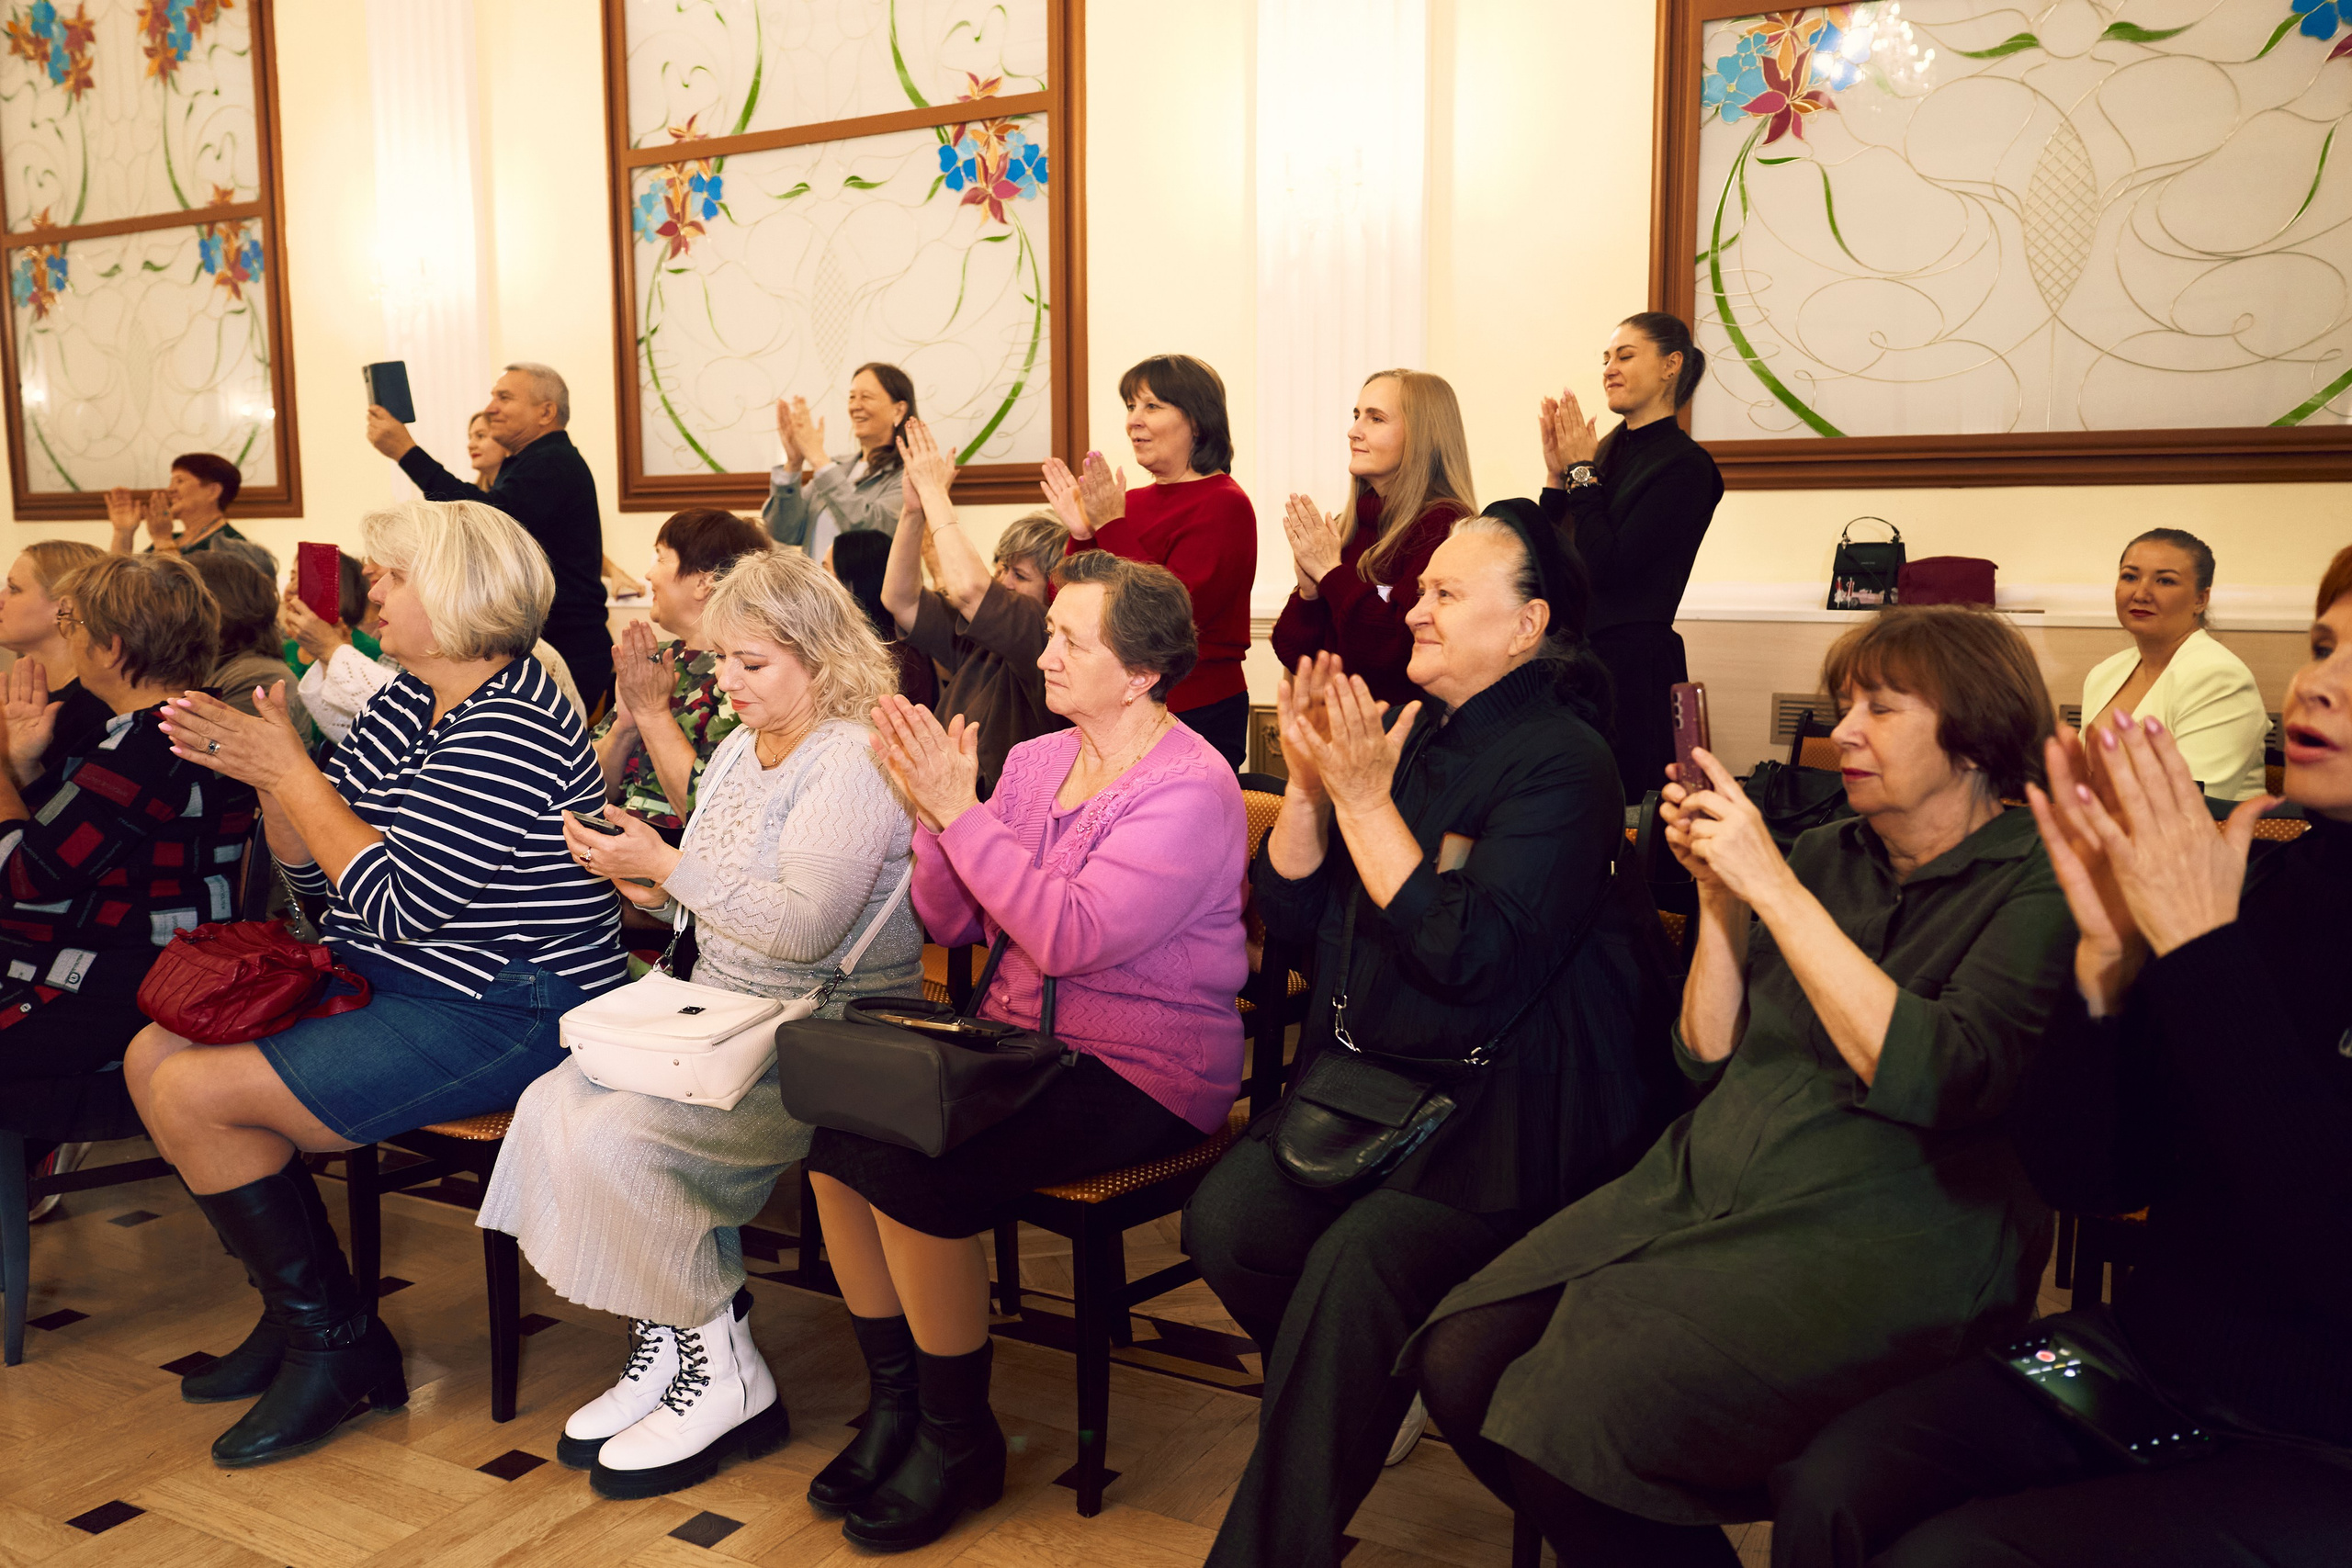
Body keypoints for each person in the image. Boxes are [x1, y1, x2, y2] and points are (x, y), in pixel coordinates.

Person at [1407, 605, 2077, 1568]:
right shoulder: (1828, 852)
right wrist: (1721, 899)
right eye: (1845, 705)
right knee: (1461, 1355)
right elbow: (1705, 1057)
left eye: (1881, 708)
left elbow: (1945, 1074)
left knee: (1579, 1411)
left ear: (1975, 736)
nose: (1842, 731)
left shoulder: (2040, 879)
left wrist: (1775, 891)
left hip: (1888, 1231)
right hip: (1710, 1185)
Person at [1769, 547, 2352, 1568]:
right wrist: (2105, 973)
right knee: (1833, 1488)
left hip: (2320, 1434)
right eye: (2322, 645)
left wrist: (2203, 956)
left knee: (1953, 1557)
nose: (2318, 682)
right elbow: (2089, 1178)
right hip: (2151, 1359)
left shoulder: (2219, 911)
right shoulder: (2269, 882)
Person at [1186, 503, 1684, 1568]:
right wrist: (1313, 789)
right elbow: (1302, 925)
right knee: (1229, 1223)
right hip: (1382, 1086)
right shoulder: (1416, 736)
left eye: (1446, 595)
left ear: (1526, 625)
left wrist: (1369, 804)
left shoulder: (1567, 762)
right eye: (1421, 591)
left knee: (1356, 1265)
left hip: (1513, 1112)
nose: (1415, 609)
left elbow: (1470, 958)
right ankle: (1370, 1382)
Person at [123, 497, 627, 1470]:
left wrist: (295, 777)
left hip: (509, 1005)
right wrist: (275, 781)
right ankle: (304, 1315)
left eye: (394, 575)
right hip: (401, 976)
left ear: (459, 591)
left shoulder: (517, 719)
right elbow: (319, 883)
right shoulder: (407, 698)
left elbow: (394, 901)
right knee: (154, 1054)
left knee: (192, 1090)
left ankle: (336, 1345)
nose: (372, 590)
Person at [803, 550, 1248, 1551]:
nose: (1043, 655)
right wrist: (935, 819)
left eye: (1070, 642)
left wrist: (961, 812)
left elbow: (1066, 937)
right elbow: (952, 921)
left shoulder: (1189, 787)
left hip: (1145, 1067)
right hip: (1020, 1048)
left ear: (1140, 673)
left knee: (912, 1169)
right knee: (836, 1145)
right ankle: (898, 1405)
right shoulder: (1041, 758)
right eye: (1050, 633)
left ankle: (959, 1437)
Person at [482, 547, 922, 1500]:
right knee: (554, 1104)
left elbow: (804, 931)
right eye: (722, 658)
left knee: (625, 1142)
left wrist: (666, 866)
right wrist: (645, 880)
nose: (724, 681)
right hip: (719, 1013)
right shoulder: (736, 749)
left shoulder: (850, 757)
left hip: (825, 1035)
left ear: (822, 657)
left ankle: (721, 1371)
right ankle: (683, 1342)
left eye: (750, 662)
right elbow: (718, 896)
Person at [0, 555, 257, 1205]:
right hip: (127, 966)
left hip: (115, 989)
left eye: (74, 624)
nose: (69, 637)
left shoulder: (148, 745)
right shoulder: (182, 722)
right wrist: (25, 767)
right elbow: (79, 845)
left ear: (111, 648)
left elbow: (24, 875)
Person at [1537, 312, 1724, 800]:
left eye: (1624, 355)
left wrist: (1581, 472)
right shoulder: (1601, 452)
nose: (1609, 369)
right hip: (1573, 661)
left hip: (1633, 672)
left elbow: (1609, 568)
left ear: (1670, 365)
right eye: (1605, 359)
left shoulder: (1687, 466)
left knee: (1621, 813)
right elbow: (1548, 554)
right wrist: (1558, 476)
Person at [1041, 353, 1257, 768]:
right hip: (1113, 704)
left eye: (1152, 406)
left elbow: (1165, 617)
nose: (1133, 421)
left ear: (1197, 421)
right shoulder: (1128, 503)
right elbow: (1065, 606)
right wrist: (1083, 534)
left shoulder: (1224, 503)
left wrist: (1109, 523)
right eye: (1130, 406)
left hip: (1195, 708)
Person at [367, 361, 615, 718]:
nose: (490, 408)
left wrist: (406, 451)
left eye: (504, 397)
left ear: (546, 412)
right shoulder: (533, 462)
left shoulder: (553, 462)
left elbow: (484, 524)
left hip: (567, 648)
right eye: (492, 397)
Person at [880, 422, 1069, 796]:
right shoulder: (980, 638)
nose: (1003, 581)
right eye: (1001, 567)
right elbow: (900, 600)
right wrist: (914, 511)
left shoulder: (1041, 635)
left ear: (1052, 589)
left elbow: (969, 589)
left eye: (1020, 575)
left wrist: (935, 494)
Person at [1270, 369, 1476, 705]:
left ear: (1421, 436)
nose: (1353, 431)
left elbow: (1395, 652)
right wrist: (1309, 592)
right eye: (1356, 416)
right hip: (1340, 723)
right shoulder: (1349, 525)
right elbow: (1296, 658)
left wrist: (1329, 573)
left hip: (1403, 729)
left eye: (1376, 418)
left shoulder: (1444, 527)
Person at [593, 508, 771, 840]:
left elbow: (708, 811)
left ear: (704, 582)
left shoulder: (742, 674)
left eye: (661, 558)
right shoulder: (655, 659)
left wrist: (651, 712)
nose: (649, 575)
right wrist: (625, 728)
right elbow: (589, 790)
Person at [2080, 527, 2268, 801]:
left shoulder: (2220, 678)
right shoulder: (2103, 673)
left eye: (2165, 581)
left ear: (2200, 600)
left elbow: (2190, 802)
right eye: (2130, 577)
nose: (2141, 593)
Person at [763, 361, 916, 560]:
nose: (855, 406)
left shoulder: (909, 474)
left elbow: (873, 534)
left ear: (899, 410)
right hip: (817, 582)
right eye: (852, 397)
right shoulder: (837, 468)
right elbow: (784, 531)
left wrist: (819, 459)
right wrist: (793, 465)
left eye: (866, 397)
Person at [0, 539, 108, 775]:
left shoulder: (92, 712)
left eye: (14, 589)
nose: (1, 599)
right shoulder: (25, 698)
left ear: (63, 609)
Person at [187, 551, 314, 744]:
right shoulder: (222, 663)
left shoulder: (258, 676)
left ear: (221, 606)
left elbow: (214, 756)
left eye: (187, 601)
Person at [829, 529, 936, 708]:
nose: (822, 581)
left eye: (828, 570)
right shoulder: (849, 643)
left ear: (854, 582)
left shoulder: (897, 656)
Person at [102, 453, 256, 560]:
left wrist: (163, 540)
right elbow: (120, 585)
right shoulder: (173, 538)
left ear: (213, 491)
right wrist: (123, 532)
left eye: (180, 481)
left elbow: (181, 593)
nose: (170, 490)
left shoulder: (233, 545)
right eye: (171, 482)